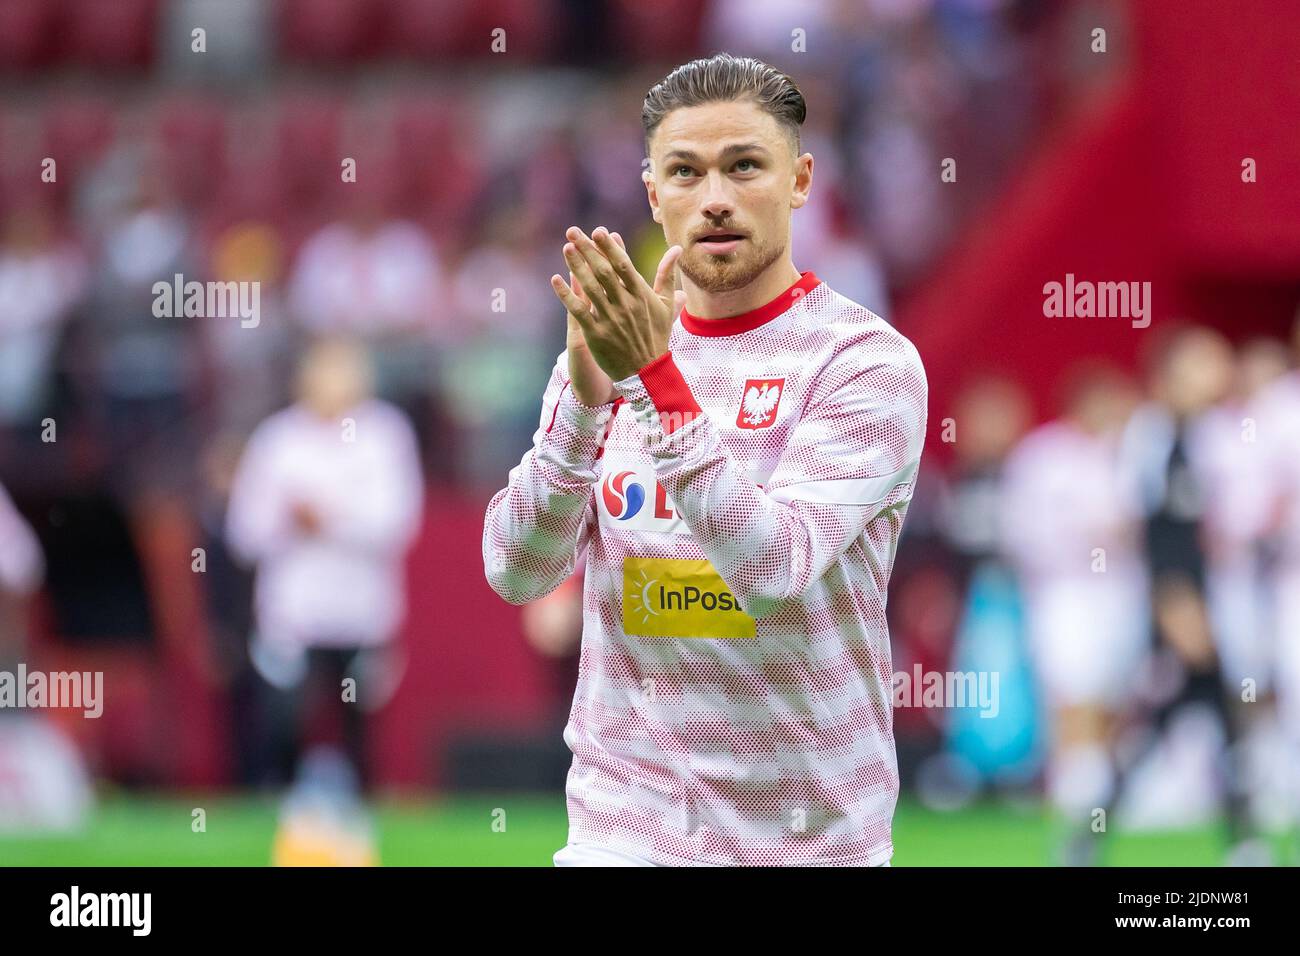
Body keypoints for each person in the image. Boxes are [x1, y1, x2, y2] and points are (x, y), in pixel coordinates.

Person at [483, 54, 928, 866]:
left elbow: (770, 566)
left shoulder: (865, 364)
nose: (715, 198)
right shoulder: (612, 351)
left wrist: (652, 380)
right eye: (685, 172)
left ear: (799, 180)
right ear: (655, 194)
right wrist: (582, 408)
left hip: (809, 837)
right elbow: (516, 569)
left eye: (745, 166)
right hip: (627, 827)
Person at [225, 337, 424, 788]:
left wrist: (329, 519)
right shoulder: (277, 440)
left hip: (363, 613)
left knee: (361, 729)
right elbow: (245, 530)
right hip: (294, 613)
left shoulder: (383, 434)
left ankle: (363, 822)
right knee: (285, 719)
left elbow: (397, 521)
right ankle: (278, 808)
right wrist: (288, 520)